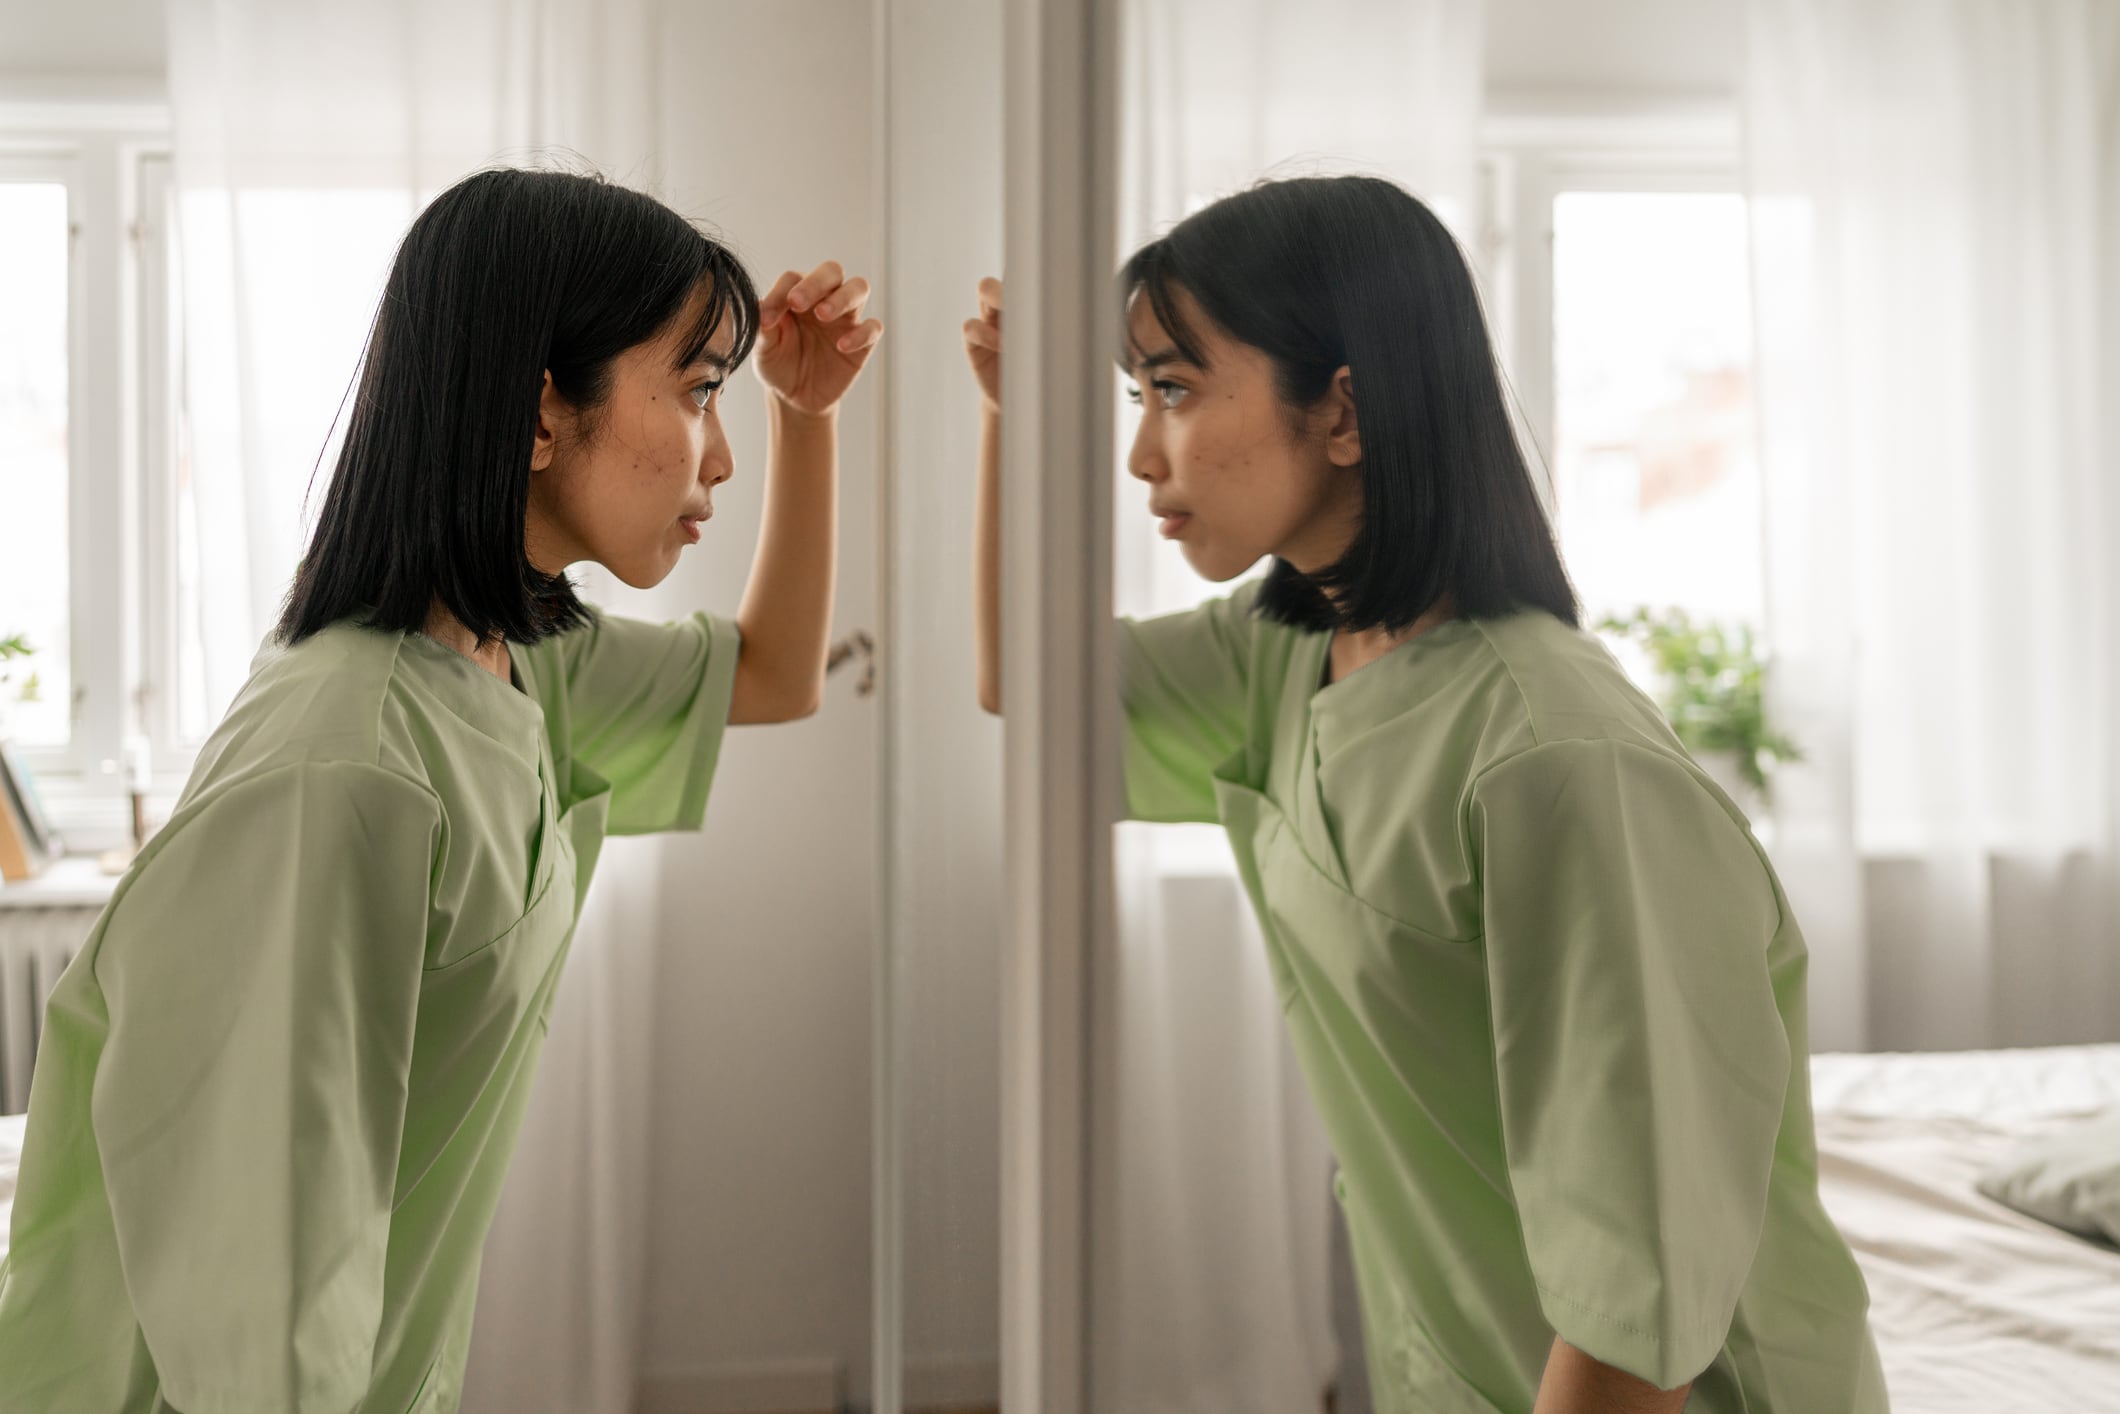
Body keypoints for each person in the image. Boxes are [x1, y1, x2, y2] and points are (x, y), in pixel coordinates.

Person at [962, 175, 1889, 1414]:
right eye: (1139, 398)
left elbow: (1636, 1305)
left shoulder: (1563, 764)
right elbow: (1030, 683)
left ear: (1341, 411)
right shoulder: (1288, 654)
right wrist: (1012, 426)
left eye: (1174, 391)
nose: (1140, 452)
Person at [0, 166, 881, 1413]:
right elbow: (267, 1307)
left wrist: (812, 415)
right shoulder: (343, 770)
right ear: (536, 415)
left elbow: (778, 675)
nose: (718, 454)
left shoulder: (515, 661)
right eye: (695, 393)